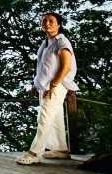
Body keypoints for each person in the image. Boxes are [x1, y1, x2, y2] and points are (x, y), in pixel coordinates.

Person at [17, 12, 78, 165]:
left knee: (44, 118)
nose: (47, 23)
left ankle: (34, 153)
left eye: (51, 21)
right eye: (44, 21)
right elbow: (44, 68)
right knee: (55, 117)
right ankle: (60, 150)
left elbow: (66, 67)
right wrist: (35, 85)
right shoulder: (46, 43)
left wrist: (54, 85)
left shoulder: (61, 41)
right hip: (45, 87)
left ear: (58, 24)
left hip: (56, 86)